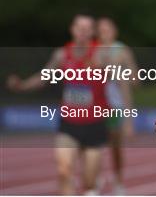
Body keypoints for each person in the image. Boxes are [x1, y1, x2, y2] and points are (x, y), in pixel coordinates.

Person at [7, 14, 108, 195]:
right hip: (69, 123)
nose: (83, 32)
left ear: (93, 32)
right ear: (72, 29)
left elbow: (123, 76)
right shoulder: (62, 54)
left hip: (94, 123)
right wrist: (22, 85)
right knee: (64, 170)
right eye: (79, 27)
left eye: (87, 28)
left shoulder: (101, 54)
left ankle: (92, 185)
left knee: (90, 181)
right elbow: (43, 77)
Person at [96, 17, 139, 195]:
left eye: (107, 29)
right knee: (93, 145)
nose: (104, 32)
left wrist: (120, 73)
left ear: (114, 31)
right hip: (96, 106)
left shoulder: (122, 51)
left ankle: (118, 181)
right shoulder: (94, 51)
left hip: (116, 107)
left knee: (115, 148)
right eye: (101, 29)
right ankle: (95, 178)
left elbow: (136, 80)